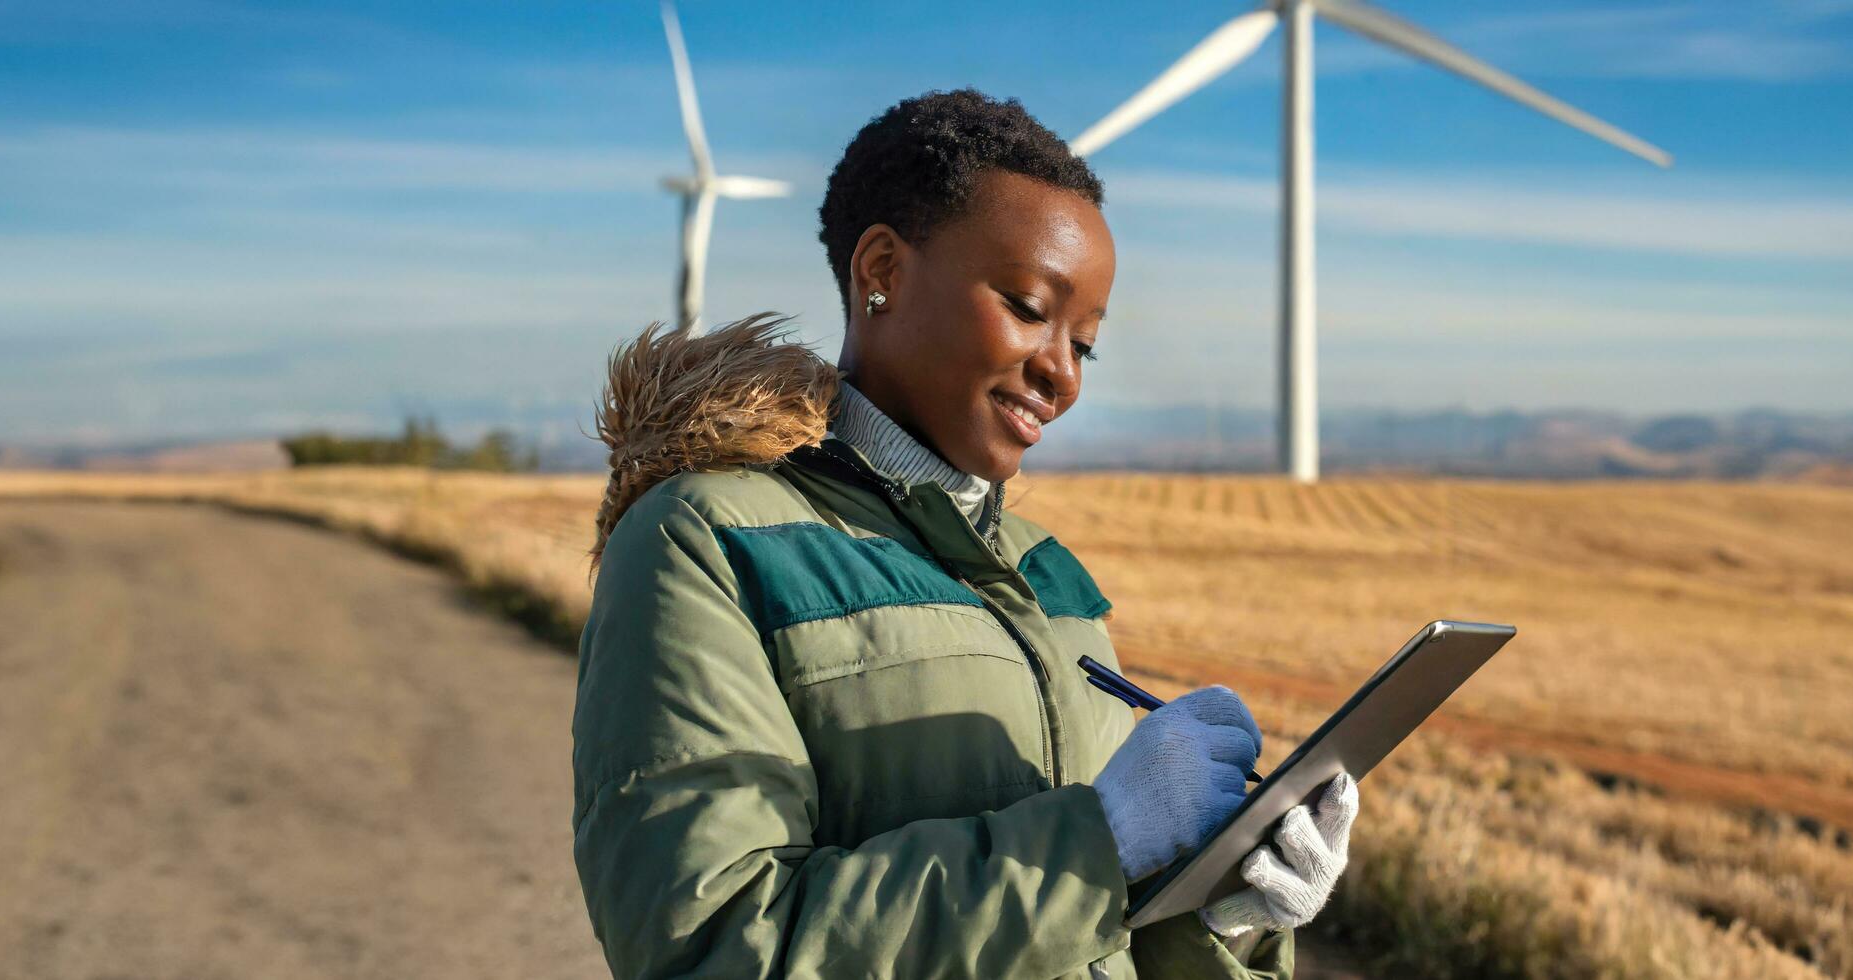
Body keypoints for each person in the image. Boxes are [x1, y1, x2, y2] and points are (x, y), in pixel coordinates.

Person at [572, 88, 1358, 979]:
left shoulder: (1048, 578)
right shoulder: (702, 540)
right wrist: (1095, 844)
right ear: (881, 271)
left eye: (1086, 344)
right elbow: (706, 944)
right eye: (1028, 307)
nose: (1061, 374)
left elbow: (1097, 938)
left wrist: (1222, 913)